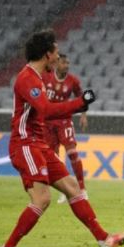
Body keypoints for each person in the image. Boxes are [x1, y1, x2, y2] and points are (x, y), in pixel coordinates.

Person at [0, 29, 124, 247]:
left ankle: (104, 239)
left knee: (72, 187)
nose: (58, 58)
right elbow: (47, 110)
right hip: (25, 145)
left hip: (38, 144)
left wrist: (78, 106)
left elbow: (46, 113)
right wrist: (79, 103)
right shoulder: (27, 78)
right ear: (47, 54)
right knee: (43, 199)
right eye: (56, 53)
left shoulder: (37, 78)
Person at [43, 53, 88, 204]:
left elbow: (81, 97)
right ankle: (65, 190)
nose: (66, 66)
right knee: (53, 158)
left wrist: (83, 114)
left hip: (64, 120)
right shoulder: (46, 76)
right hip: (48, 122)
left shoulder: (73, 81)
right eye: (63, 63)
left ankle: (82, 189)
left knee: (72, 153)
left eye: (68, 63)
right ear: (57, 64)